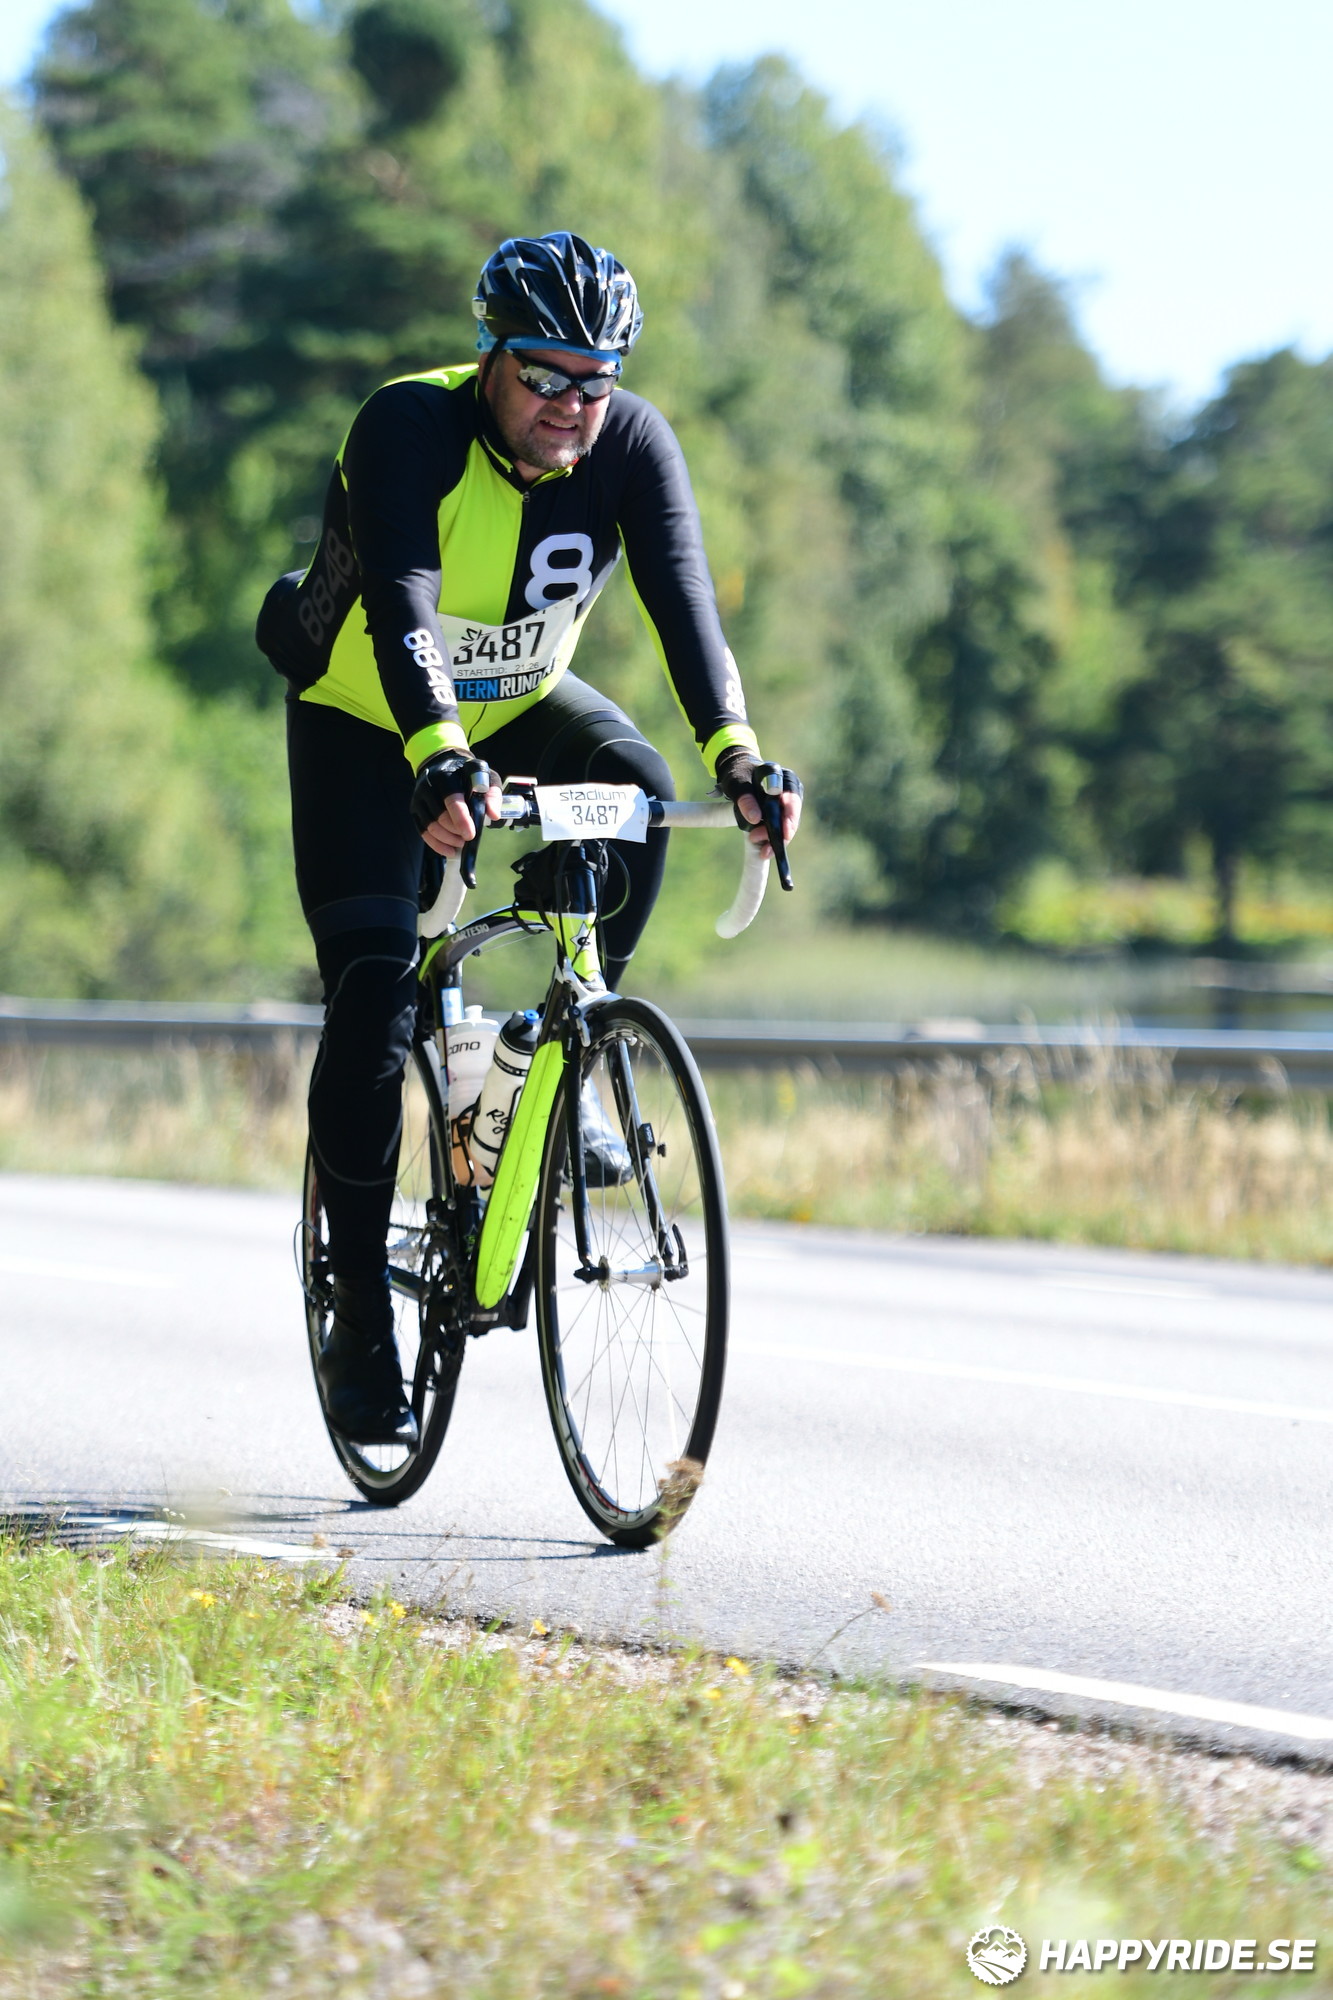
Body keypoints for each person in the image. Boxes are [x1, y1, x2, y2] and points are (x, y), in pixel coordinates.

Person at [257, 231, 802, 1445]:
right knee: (373, 993)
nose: (572, 403)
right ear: (489, 356)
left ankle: (565, 1049)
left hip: (516, 705)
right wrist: (438, 755)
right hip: (365, 718)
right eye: (545, 374)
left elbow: (683, 602)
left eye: (596, 380)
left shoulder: (632, 444)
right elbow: (401, 600)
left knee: (640, 785)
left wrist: (742, 759)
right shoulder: (407, 425)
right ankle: (359, 1310)